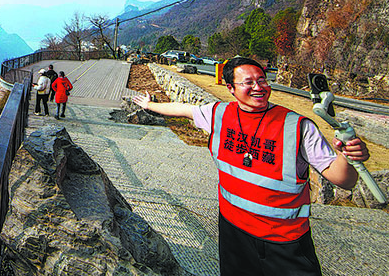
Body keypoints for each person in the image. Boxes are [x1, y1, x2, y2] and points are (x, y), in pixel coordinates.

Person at [131, 57, 370, 276]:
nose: (258, 87)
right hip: (233, 232)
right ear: (231, 88)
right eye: (248, 82)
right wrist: (150, 106)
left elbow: (344, 180)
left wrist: (347, 157)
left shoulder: (298, 127)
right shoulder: (219, 114)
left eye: (262, 80)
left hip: (284, 241)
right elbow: (184, 109)